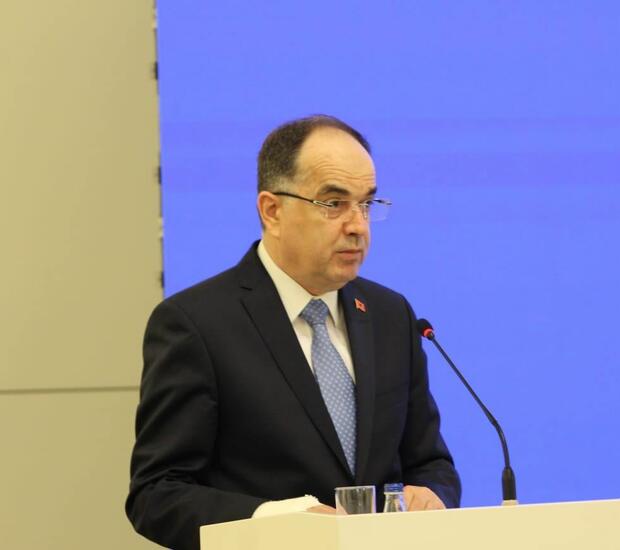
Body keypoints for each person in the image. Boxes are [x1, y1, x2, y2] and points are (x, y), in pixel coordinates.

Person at [126, 115, 461, 549]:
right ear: (272, 211)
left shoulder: (390, 315)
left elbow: (430, 462)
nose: (358, 226)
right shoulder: (196, 324)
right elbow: (157, 494)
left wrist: (433, 494)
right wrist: (276, 520)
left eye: (366, 204)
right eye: (333, 203)